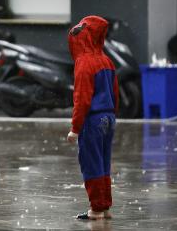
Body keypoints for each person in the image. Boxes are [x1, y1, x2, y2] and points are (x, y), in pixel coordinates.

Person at [66, 16, 119, 220]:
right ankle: (104, 206)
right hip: (108, 118)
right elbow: (115, 93)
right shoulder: (106, 60)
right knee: (104, 163)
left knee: (91, 164)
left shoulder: (84, 63)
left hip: (92, 120)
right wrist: (113, 115)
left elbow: (82, 100)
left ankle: (96, 209)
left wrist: (75, 128)